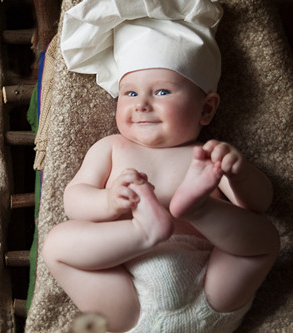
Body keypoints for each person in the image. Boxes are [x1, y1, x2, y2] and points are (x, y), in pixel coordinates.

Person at [42, 0, 280, 332]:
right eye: (128, 93)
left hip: (201, 285)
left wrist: (238, 174)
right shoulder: (110, 148)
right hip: (136, 286)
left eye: (162, 91)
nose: (141, 104)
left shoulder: (207, 156)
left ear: (206, 109)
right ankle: (145, 230)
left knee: (264, 238)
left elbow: (258, 204)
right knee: (57, 244)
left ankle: (198, 209)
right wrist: (109, 202)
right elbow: (75, 201)